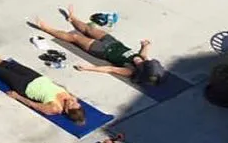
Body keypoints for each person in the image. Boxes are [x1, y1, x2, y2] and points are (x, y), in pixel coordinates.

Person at [33, 8, 166, 85]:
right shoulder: (143, 58)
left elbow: (109, 69)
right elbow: (144, 52)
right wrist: (145, 45)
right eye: (145, 61)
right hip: (113, 42)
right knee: (88, 29)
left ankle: (46, 29)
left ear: (141, 70)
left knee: (75, 38)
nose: (141, 61)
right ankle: (73, 18)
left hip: (102, 50)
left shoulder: (130, 71)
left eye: (142, 64)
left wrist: (88, 68)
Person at [0, 42, 85, 124]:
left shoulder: (55, 108)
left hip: (25, 86)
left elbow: (34, 105)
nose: (73, 101)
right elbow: (61, 89)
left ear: (67, 111)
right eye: (76, 103)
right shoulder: (71, 98)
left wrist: (17, 96)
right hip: (38, 78)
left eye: (72, 104)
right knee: (9, 65)